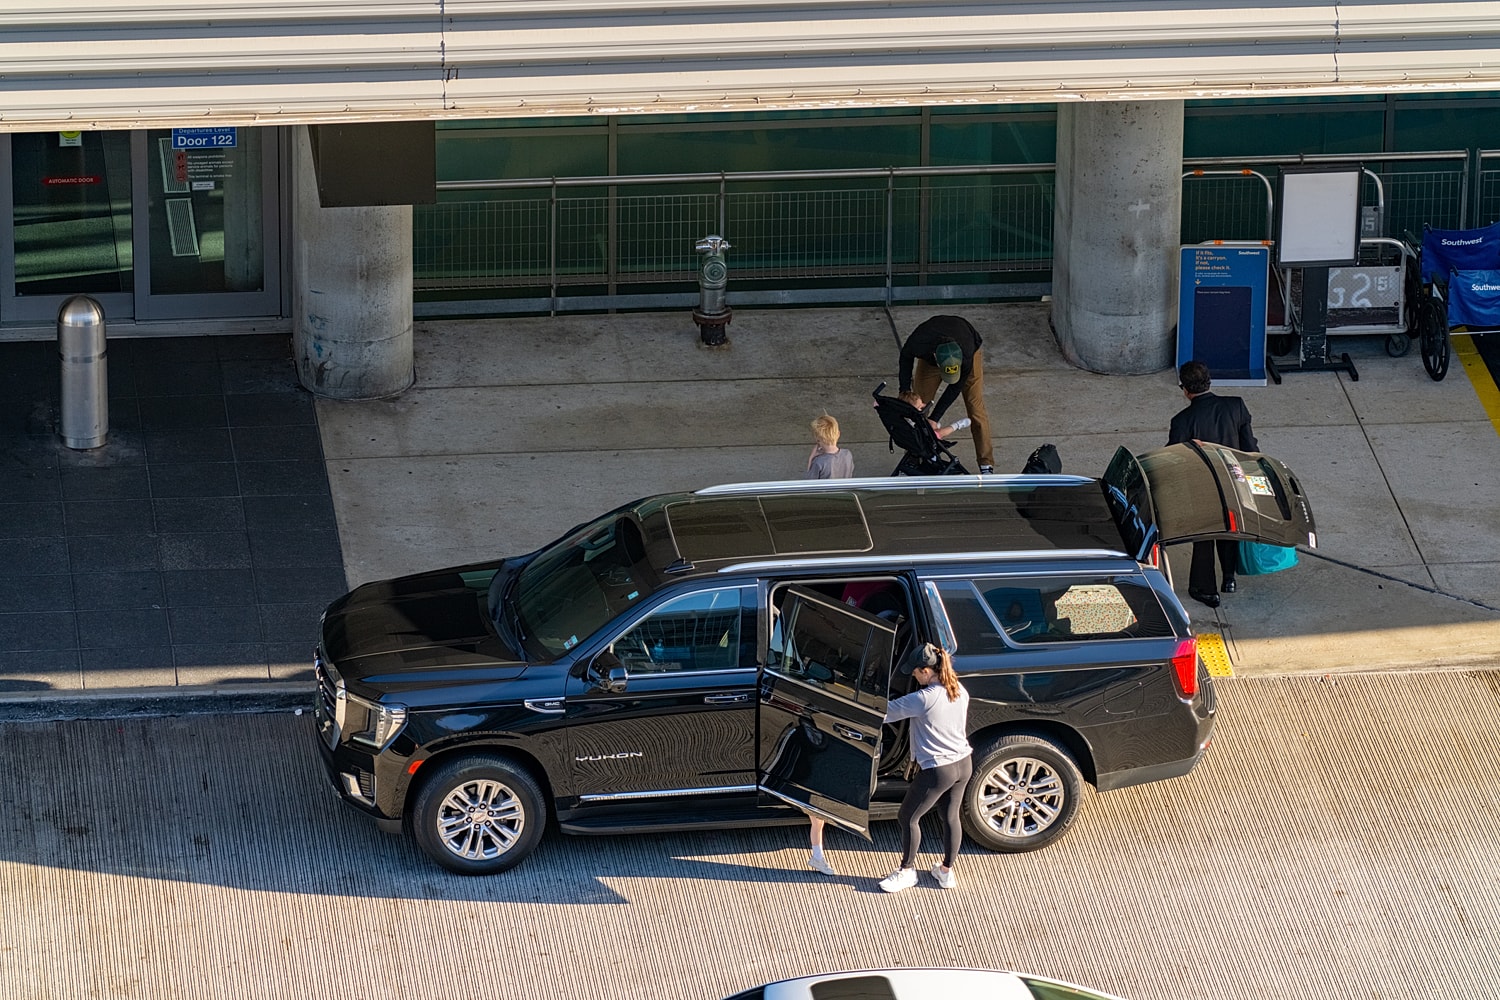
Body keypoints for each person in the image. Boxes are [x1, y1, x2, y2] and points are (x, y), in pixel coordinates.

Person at [877, 643, 972, 893]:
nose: (913, 676)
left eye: (915, 672)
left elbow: (883, 712)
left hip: (938, 769)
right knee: (950, 817)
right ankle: (946, 872)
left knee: (908, 817)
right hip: (964, 764)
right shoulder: (959, 690)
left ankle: (907, 871)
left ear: (926, 671)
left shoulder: (924, 698)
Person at [1168, 359, 1259, 609]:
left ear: (1185, 390)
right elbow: (1250, 449)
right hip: (1233, 482)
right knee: (1230, 528)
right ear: (1209, 382)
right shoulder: (1236, 406)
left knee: (1204, 537)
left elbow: (1173, 458)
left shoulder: (1182, 421)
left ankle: (1204, 589)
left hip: (1201, 488)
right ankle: (1228, 579)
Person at [898, 315, 994, 473]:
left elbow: (955, 387)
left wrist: (935, 418)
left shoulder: (967, 353)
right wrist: (904, 391)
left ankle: (986, 463)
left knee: (974, 406)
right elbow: (905, 358)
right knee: (916, 407)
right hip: (930, 359)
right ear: (935, 356)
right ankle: (913, 457)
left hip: (966, 345)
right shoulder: (919, 342)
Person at [896, 392, 971, 442]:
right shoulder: (911, 421)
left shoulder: (900, 418)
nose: (924, 405)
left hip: (909, 439)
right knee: (939, 433)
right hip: (921, 440)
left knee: (931, 425)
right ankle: (957, 425)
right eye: (920, 407)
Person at [806, 413, 854, 479]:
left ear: (817, 440)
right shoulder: (847, 454)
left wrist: (811, 459)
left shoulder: (818, 462)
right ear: (838, 434)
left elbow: (809, 484)